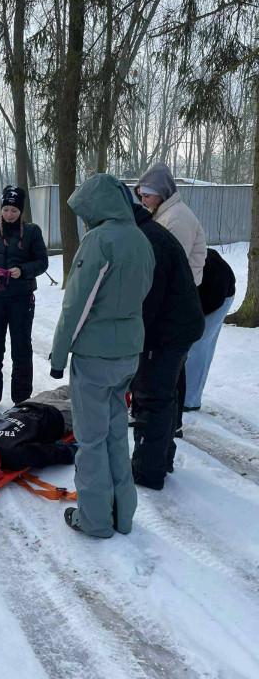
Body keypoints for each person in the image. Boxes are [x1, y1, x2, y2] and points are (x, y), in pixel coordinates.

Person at [50, 174, 154, 538]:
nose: (82, 220)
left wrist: (59, 354)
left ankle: (94, 521)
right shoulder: (142, 239)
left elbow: (76, 304)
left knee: (91, 441)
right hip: (128, 354)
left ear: (96, 207)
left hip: (94, 358)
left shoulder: (99, 240)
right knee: (113, 435)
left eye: (84, 212)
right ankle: (122, 515)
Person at [129, 196, 205, 489]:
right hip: (179, 326)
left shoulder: (150, 241)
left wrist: (135, 339)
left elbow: (149, 299)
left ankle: (148, 472)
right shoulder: (149, 231)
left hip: (169, 331)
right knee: (165, 394)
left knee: (151, 397)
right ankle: (162, 459)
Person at [0, 185, 49, 413]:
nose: (9, 214)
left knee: (22, 349)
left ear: (20, 211)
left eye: (14, 210)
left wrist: (22, 271)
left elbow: (42, 262)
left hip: (22, 298)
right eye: (6, 209)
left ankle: (21, 398)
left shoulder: (32, 232)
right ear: (1, 209)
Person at [135, 162, 207, 285]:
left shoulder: (177, 219)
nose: (142, 202)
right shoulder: (163, 214)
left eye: (146, 196)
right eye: (141, 196)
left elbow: (173, 263)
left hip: (181, 288)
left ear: (161, 193)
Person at [184, 248, 236, 411]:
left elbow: (211, 302)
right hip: (198, 294)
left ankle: (189, 400)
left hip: (218, 297)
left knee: (199, 347)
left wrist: (193, 320)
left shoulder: (212, 270)